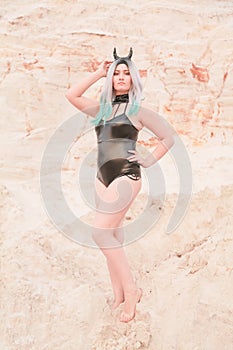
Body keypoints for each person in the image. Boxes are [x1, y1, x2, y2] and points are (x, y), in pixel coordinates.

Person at [65, 48, 174, 323]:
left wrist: (149, 159)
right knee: (113, 235)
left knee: (100, 235)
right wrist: (99, 72)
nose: (122, 77)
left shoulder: (138, 110)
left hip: (126, 175)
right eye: (117, 73)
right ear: (111, 78)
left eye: (126, 73)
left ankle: (132, 290)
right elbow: (71, 95)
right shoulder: (101, 109)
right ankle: (118, 294)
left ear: (133, 78)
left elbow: (168, 137)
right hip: (102, 178)